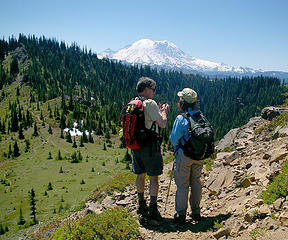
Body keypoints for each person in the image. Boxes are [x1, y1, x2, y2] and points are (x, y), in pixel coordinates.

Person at [132, 77, 170, 221]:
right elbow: (162, 124)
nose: (154, 92)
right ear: (147, 89)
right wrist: (164, 111)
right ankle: (153, 209)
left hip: (136, 146)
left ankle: (141, 204)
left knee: (140, 175)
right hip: (150, 146)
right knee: (153, 178)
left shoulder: (134, 102)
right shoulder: (150, 103)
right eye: (153, 89)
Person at [169, 88, 203, 224]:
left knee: (183, 185)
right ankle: (196, 211)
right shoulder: (200, 116)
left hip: (184, 155)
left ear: (183, 102)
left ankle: (181, 214)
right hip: (199, 155)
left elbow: (173, 139)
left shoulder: (181, 118)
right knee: (196, 182)